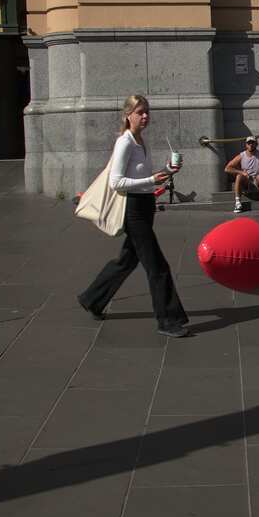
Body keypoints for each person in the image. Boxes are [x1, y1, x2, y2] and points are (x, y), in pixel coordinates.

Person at [78, 95, 190, 338]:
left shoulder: (140, 141)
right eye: (140, 112)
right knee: (157, 266)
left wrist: (167, 171)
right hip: (133, 210)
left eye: (147, 111)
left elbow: (140, 177)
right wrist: (151, 180)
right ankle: (168, 320)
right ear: (128, 115)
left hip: (144, 205)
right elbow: (116, 182)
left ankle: (92, 299)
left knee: (127, 260)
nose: (145, 116)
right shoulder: (125, 142)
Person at [224, 135, 259, 213]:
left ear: (256, 144)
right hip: (246, 183)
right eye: (249, 143)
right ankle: (238, 203)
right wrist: (241, 172)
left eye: (253, 143)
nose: (251, 145)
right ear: (246, 145)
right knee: (239, 176)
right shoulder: (242, 155)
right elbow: (227, 168)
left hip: (257, 182)